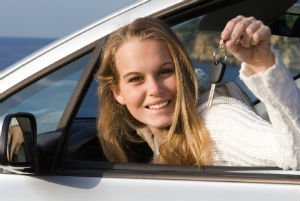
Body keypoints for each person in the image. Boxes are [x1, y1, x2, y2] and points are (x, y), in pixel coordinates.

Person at [96, 15, 300, 170]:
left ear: (183, 73)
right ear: (117, 92)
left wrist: (262, 63)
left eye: (165, 72)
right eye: (136, 79)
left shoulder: (216, 123)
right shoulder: (154, 129)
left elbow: (294, 154)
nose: (155, 89)